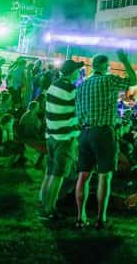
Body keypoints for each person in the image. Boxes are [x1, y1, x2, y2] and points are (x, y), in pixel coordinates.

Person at [74, 50, 137, 230]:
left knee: (83, 175)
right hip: (103, 132)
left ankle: (80, 217)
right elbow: (133, 81)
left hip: (85, 132)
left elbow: (77, 112)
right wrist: (125, 61)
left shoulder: (82, 85)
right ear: (105, 66)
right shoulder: (108, 80)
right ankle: (101, 219)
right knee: (104, 176)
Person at [39, 60, 82, 219]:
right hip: (64, 137)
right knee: (58, 175)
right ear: (72, 72)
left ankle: (43, 201)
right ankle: (49, 209)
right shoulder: (71, 89)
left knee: (50, 171)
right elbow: (79, 111)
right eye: (77, 70)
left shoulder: (53, 85)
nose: (78, 73)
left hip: (51, 134)